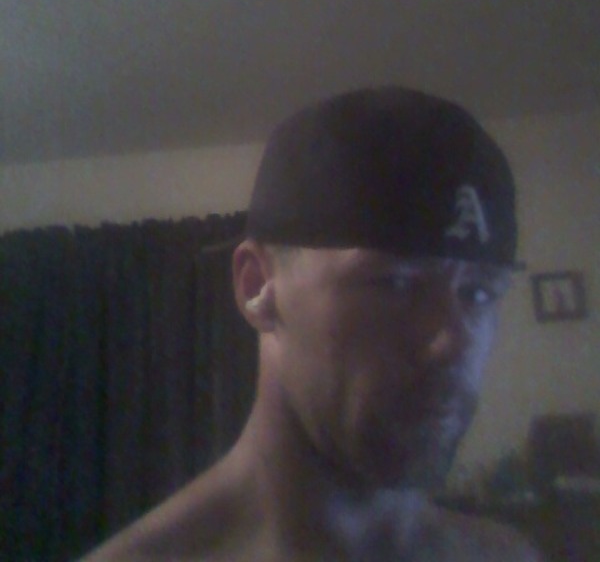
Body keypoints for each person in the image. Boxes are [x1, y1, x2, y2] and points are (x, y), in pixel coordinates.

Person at [82, 86, 542, 561]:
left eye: (478, 292)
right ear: (257, 286)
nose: (454, 340)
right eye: (395, 283)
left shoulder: (505, 555)